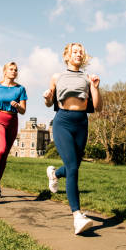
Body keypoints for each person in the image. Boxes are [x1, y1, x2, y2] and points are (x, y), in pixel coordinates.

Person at [43, 43, 102, 234]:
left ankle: (55, 174)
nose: (78, 54)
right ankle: (77, 215)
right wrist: (46, 97)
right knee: (73, 168)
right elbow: (50, 102)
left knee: (74, 165)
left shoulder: (87, 78)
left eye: (81, 52)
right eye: (74, 51)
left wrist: (95, 87)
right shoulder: (57, 77)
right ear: (67, 56)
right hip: (63, 122)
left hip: (81, 123)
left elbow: (98, 107)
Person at [0, 62, 27, 198]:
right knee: (1, 150)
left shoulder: (20, 89)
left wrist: (17, 106)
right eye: (11, 69)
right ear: (5, 71)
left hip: (13, 122)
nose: (14, 72)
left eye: (16, 70)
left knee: (4, 155)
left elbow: (23, 110)